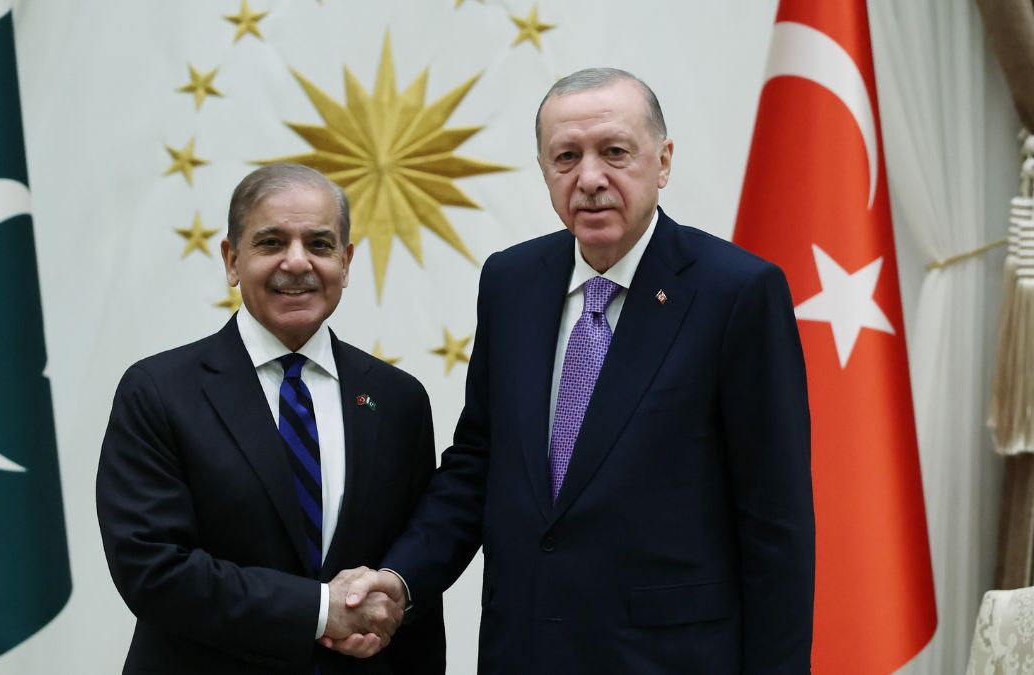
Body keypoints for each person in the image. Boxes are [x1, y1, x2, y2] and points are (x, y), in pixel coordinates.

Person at [334, 68, 815, 673]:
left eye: (615, 152)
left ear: (662, 162)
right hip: (525, 650)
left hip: (670, 658)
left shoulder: (737, 292)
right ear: (544, 170)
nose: (590, 179)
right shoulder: (511, 282)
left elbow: (776, 522)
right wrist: (400, 579)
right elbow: (479, 465)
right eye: (567, 157)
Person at [96, 163, 445, 674]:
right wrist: (322, 610)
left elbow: (410, 587)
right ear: (232, 260)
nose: (297, 262)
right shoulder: (158, 391)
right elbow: (153, 570)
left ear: (346, 263)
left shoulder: (397, 401)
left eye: (320, 245)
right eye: (272, 242)